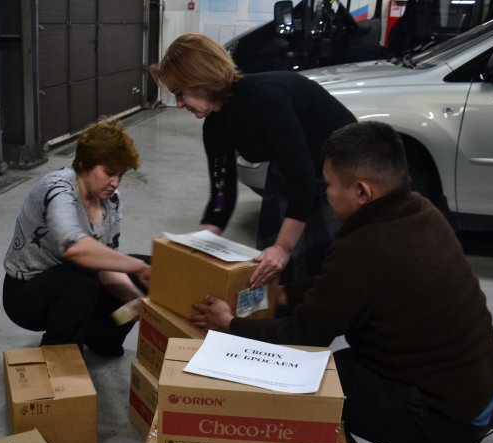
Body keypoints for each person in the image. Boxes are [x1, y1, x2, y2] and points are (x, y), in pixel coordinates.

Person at [191, 121, 493, 443]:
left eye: (329, 185)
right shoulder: (419, 212)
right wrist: (283, 294)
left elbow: (303, 336)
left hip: (445, 420)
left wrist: (230, 324)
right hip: (474, 400)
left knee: (316, 379)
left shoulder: (366, 247)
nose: (325, 193)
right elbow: (344, 288)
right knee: (354, 365)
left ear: (362, 192)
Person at [150, 33, 356, 287]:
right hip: (293, 172)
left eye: (180, 93)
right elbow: (221, 195)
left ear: (201, 78)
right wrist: (200, 240)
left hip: (341, 172)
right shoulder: (215, 126)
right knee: (272, 272)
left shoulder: (264, 96)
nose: (179, 104)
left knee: (323, 272)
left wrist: (282, 247)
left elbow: (303, 181)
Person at [2, 118, 151, 357]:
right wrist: (137, 267)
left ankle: (102, 337)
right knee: (82, 279)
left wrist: (137, 298)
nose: (115, 183)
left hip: (78, 284)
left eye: (121, 175)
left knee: (148, 270)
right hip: (27, 294)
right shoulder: (57, 188)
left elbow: (106, 267)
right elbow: (75, 247)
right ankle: (59, 359)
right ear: (84, 163)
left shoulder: (112, 201)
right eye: (109, 173)